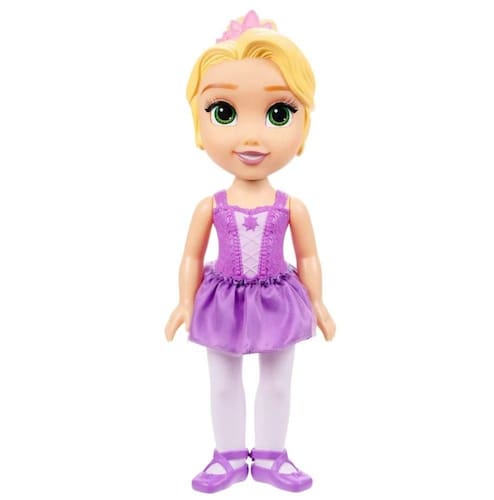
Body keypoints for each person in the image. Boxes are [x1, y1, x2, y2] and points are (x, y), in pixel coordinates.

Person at [165, 10, 336, 493]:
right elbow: (191, 257)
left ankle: (271, 456)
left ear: (303, 125)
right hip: (221, 301)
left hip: (279, 300)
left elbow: (308, 258)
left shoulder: (291, 207)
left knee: (278, 380)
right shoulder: (211, 206)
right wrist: (184, 302)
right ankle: (226, 456)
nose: (252, 136)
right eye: (224, 112)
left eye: (278, 114)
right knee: (222, 381)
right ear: (199, 122)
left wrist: (319, 303)